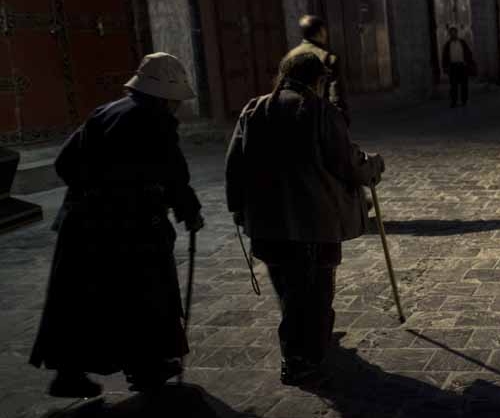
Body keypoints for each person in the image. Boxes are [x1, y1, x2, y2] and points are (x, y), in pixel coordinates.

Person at [30, 53, 204, 398]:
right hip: (131, 228)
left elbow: (65, 162)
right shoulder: (156, 121)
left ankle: (69, 375)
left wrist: (94, 191)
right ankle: (147, 368)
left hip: (82, 224)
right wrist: (189, 211)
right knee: (144, 295)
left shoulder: (105, 112)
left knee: (81, 299)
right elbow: (174, 177)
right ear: (165, 95)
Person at [226, 50, 384, 385]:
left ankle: (306, 346)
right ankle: (301, 358)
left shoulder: (254, 110)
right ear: (318, 80)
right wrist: (372, 166)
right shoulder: (320, 112)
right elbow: (347, 163)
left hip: (268, 225)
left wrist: (238, 209)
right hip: (314, 224)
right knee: (313, 294)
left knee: (289, 290)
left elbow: (235, 165)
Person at [286, 15, 349, 123]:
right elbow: (336, 94)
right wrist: (341, 118)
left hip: (294, 116)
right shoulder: (328, 57)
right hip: (320, 117)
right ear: (321, 31)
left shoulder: (290, 56)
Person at [440, 27, 476, 108]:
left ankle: (464, 100)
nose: (453, 34)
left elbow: (468, 53)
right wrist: (445, 67)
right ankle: (454, 101)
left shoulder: (462, 43)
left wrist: (469, 64)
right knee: (453, 85)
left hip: (462, 66)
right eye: (451, 33)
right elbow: (445, 56)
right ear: (449, 34)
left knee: (464, 84)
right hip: (453, 66)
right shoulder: (448, 45)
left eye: (454, 33)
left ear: (456, 33)